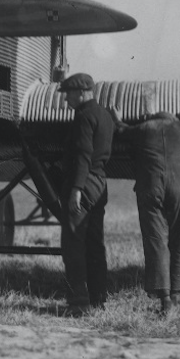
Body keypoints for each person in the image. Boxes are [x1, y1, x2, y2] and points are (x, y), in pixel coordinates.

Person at [112, 96, 180, 313]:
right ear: (172, 116)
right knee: (179, 239)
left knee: (156, 241)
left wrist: (118, 118)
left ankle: (165, 301)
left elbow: (122, 131)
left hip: (151, 190)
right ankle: (177, 293)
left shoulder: (144, 128)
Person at [54, 72, 115, 315]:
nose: (66, 99)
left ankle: (78, 303)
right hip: (100, 184)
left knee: (73, 244)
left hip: (84, 184)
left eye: (68, 94)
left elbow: (82, 155)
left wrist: (76, 189)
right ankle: (99, 299)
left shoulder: (83, 116)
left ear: (81, 93)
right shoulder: (105, 116)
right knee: (94, 244)